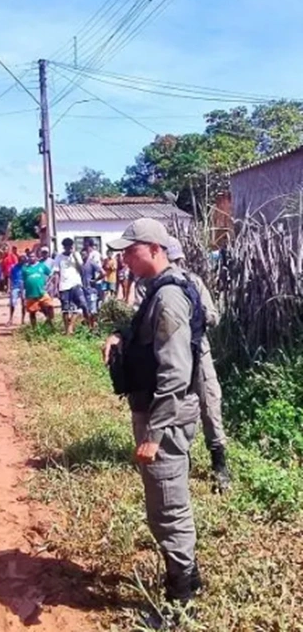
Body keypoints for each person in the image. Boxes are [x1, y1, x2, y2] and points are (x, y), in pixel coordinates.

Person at [103, 219, 203, 618]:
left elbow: (175, 372)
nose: (124, 257)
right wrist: (119, 335)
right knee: (163, 502)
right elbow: (145, 335)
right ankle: (186, 578)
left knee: (167, 506)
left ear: (155, 249)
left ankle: (182, 602)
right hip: (155, 412)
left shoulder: (169, 297)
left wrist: (154, 433)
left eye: (131, 250)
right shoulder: (156, 291)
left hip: (165, 417)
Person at [167, 237, 231, 492]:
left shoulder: (193, 282)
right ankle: (182, 458)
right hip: (170, 355)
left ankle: (219, 463)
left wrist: (197, 316)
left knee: (210, 403)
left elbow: (213, 315)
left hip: (198, 351)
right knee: (175, 405)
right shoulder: (152, 286)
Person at [52, 238, 88, 335]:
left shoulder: (76, 255)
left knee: (80, 305)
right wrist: (55, 288)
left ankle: (71, 327)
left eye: (70, 246)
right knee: (65, 309)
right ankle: (66, 329)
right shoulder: (59, 257)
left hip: (76, 284)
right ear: (64, 247)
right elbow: (56, 273)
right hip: (64, 285)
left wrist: (75, 257)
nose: (69, 248)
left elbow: (82, 270)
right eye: (67, 246)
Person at [22, 251, 54, 327]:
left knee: (50, 306)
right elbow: (23, 281)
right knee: (32, 312)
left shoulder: (42, 266)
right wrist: (22, 292)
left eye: (33, 256)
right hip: (30, 293)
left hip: (42, 292)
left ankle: (49, 322)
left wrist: (48, 284)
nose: (31, 258)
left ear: (36, 257)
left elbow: (51, 274)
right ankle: (34, 329)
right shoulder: (25, 268)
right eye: (30, 256)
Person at [79, 243, 104, 331]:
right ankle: (89, 326)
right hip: (84, 290)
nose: (83, 256)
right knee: (86, 309)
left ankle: (94, 327)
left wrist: (95, 280)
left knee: (93, 311)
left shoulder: (92, 263)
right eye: (81, 254)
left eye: (84, 254)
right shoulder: (82, 265)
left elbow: (103, 273)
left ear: (88, 254)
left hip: (92, 290)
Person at [6, 254, 26, 327]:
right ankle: (10, 319)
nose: (22, 262)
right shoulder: (13, 267)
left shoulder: (26, 268)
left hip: (24, 287)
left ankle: (23, 320)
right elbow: (9, 277)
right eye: (21, 261)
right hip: (15, 287)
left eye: (23, 261)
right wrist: (9, 288)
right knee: (12, 303)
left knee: (24, 304)